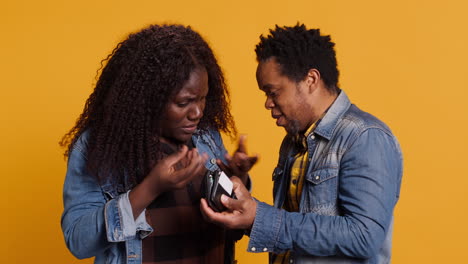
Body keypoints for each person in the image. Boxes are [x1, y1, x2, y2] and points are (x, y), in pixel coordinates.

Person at [200, 24, 403, 264]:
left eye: (273, 92)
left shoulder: (365, 137)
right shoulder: (294, 142)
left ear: (311, 79)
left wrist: (259, 218)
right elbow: (293, 228)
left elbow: (363, 236)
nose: (267, 103)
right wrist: (243, 206)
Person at [60, 24, 256, 264]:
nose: (197, 113)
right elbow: (79, 241)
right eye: (184, 102)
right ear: (148, 100)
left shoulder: (206, 137)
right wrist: (151, 188)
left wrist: (238, 179)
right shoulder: (99, 146)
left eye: (203, 98)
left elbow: (232, 227)